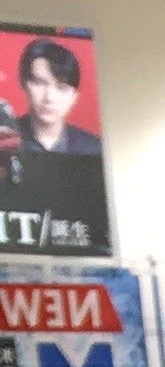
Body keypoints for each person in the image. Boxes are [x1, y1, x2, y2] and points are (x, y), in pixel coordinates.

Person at [0, 36, 108, 254]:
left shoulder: (94, 150)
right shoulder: (5, 141)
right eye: (39, 83)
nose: (49, 97)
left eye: (61, 87)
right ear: (24, 83)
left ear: (75, 95)